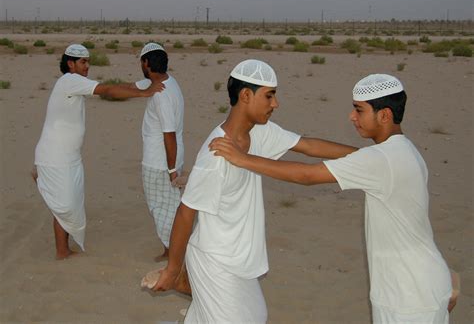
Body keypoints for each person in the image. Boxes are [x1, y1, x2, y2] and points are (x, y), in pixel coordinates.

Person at [210, 74, 454, 323]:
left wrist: (242, 159)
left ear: (384, 115)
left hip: (408, 296)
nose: (352, 117)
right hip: (424, 284)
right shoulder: (402, 151)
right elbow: (341, 155)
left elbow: (306, 175)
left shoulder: (382, 160)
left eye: (359, 110)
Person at [145, 59, 356, 323]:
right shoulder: (216, 154)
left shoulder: (261, 132)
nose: (275, 104)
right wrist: (173, 269)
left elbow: (309, 146)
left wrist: (366, 156)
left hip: (242, 258)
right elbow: (186, 212)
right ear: (246, 95)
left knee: (253, 315)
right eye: (269, 96)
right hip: (216, 261)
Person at [33, 44, 164, 260]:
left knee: (71, 203)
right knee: (64, 206)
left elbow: (111, 86)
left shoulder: (76, 83)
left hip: (69, 157)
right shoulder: (69, 81)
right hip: (55, 157)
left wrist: (143, 86)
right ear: (70, 64)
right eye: (83, 62)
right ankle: (61, 252)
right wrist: (145, 93)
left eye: (88, 62)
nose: (87, 66)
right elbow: (107, 90)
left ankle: (64, 248)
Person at [135, 43, 184, 261]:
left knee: (161, 207)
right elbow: (133, 87)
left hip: (160, 162)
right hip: (170, 158)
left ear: (146, 63)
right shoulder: (169, 82)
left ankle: (173, 253)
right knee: (170, 204)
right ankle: (171, 250)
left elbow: (169, 133)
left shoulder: (161, 94)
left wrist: (171, 169)